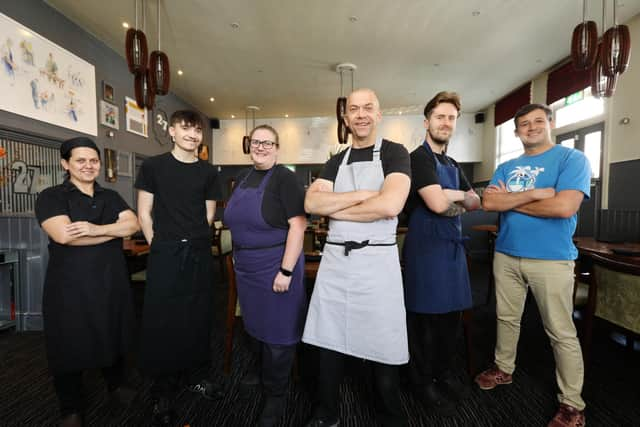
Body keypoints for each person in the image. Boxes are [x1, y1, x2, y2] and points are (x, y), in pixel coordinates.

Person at [475, 103, 591, 427]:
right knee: (506, 318)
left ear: (550, 123)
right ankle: (504, 369)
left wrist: (512, 200)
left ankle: (572, 404)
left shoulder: (572, 159)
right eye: (524, 124)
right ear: (516, 132)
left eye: (538, 121)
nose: (531, 127)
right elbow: (488, 202)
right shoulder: (507, 165)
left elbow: (564, 207)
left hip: (552, 259)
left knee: (560, 331)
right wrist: (537, 194)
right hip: (507, 254)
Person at [302, 88, 411, 427]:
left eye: (368, 108)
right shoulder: (336, 159)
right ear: (346, 118)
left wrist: (338, 209)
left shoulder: (396, 153)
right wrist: (365, 196)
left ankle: (391, 414)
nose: (361, 114)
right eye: (354, 109)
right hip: (335, 263)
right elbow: (311, 205)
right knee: (327, 338)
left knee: (384, 339)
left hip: (377, 264)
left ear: (379, 115)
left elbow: (390, 205)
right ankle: (327, 412)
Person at [35, 137, 139, 427]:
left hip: (111, 281)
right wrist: (114, 232)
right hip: (70, 287)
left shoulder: (110, 196)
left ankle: (116, 386)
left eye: (94, 160)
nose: (89, 166)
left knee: (113, 333)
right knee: (68, 344)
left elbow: (134, 225)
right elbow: (65, 236)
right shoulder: (51, 196)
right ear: (65, 164)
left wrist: (95, 228)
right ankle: (71, 408)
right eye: (81, 160)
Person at [135, 110, 222, 426]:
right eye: (186, 128)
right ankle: (162, 391)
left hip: (198, 252)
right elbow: (144, 212)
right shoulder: (153, 167)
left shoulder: (208, 172)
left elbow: (207, 215)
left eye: (197, 130)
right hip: (165, 252)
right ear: (171, 131)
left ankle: (195, 376)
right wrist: (159, 243)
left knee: (197, 314)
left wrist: (192, 239)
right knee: (163, 318)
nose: (193, 134)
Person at [223, 124, 307, 427]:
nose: (261, 147)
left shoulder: (286, 178)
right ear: (249, 145)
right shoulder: (243, 177)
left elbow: (298, 226)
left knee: (279, 335)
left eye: (267, 143)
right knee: (255, 326)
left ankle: (276, 394)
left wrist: (285, 270)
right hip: (246, 267)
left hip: (275, 265)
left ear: (277, 147)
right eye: (256, 142)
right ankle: (260, 371)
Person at [403, 91, 481, 413]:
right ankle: (422, 382)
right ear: (427, 122)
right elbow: (436, 204)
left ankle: (444, 373)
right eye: (440, 117)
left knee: (450, 321)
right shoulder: (417, 158)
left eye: (451, 118)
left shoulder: (451, 163)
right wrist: (458, 197)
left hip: (451, 253)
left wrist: (456, 195)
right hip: (425, 252)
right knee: (425, 323)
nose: (446, 123)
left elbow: (476, 201)